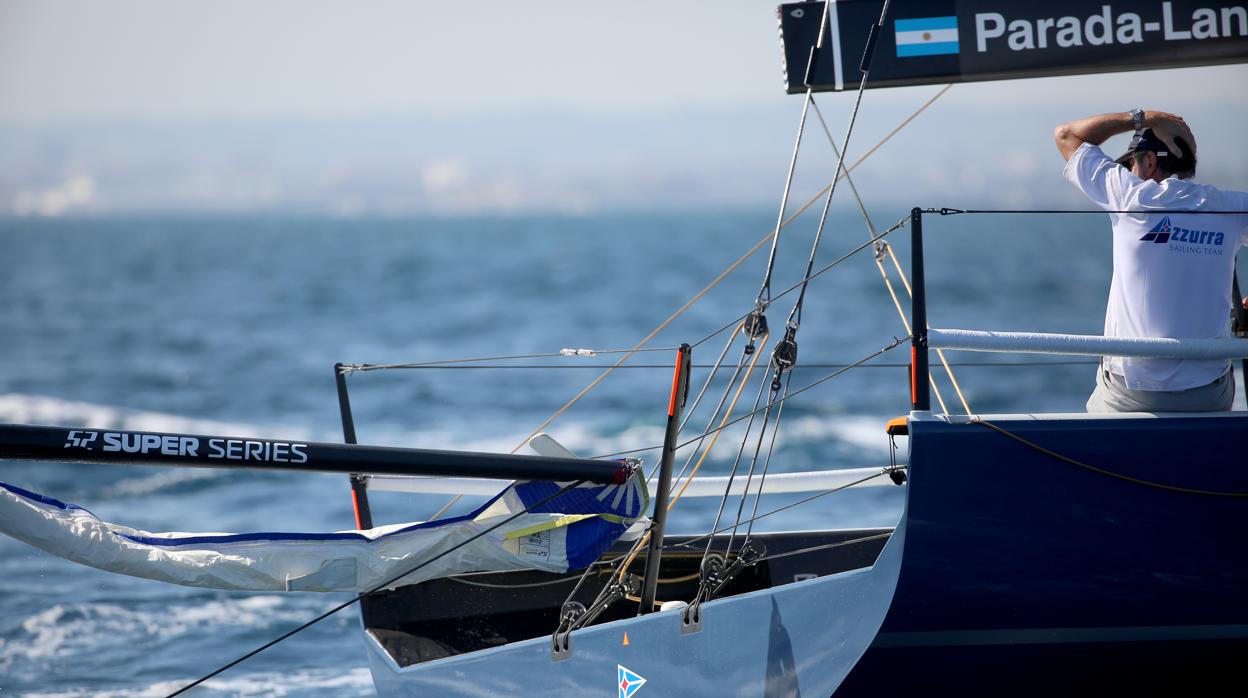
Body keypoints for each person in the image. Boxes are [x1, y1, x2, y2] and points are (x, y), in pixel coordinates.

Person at [1053, 109, 1248, 412]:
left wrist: (1144, 117)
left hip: (1131, 394)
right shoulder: (1231, 207)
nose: (1130, 172)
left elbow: (1067, 135)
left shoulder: (1130, 196)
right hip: (1206, 394)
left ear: (1150, 162)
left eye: (1131, 163)